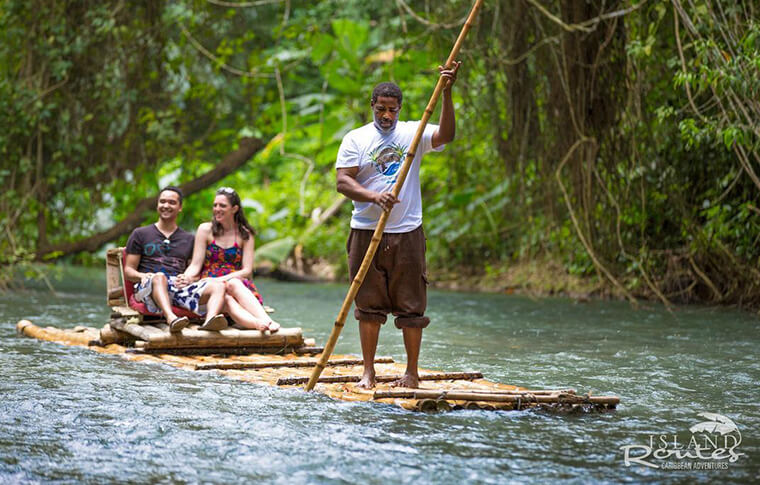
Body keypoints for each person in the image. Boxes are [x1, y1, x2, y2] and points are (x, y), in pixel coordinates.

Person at [335, 62, 461, 388]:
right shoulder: (355, 139)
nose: (386, 115)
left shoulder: (413, 133)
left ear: (400, 108)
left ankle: (412, 373)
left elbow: (446, 134)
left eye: (392, 109)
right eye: (381, 109)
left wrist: (446, 92)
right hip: (365, 231)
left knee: (411, 304)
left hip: (407, 232)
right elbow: (343, 182)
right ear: (372, 107)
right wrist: (374, 197)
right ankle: (368, 371)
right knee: (368, 304)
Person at [123, 186, 228, 332]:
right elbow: (128, 270)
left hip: (178, 289)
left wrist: (190, 279)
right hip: (149, 288)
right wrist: (142, 276)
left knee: (219, 286)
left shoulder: (189, 239)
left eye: (171, 202)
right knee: (159, 277)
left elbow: (196, 270)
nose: (166, 205)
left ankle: (210, 321)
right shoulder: (140, 234)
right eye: (162, 202)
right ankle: (171, 318)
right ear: (157, 205)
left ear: (180, 208)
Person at [182, 187, 281, 332]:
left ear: (234, 209)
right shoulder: (205, 230)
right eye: (215, 205)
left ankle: (266, 321)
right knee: (226, 296)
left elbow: (247, 270)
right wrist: (186, 277)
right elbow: (196, 264)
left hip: (238, 283)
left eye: (222, 206)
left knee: (232, 284)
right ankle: (257, 323)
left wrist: (222, 279)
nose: (217, 209)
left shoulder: (245, 234)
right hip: (210, 284)